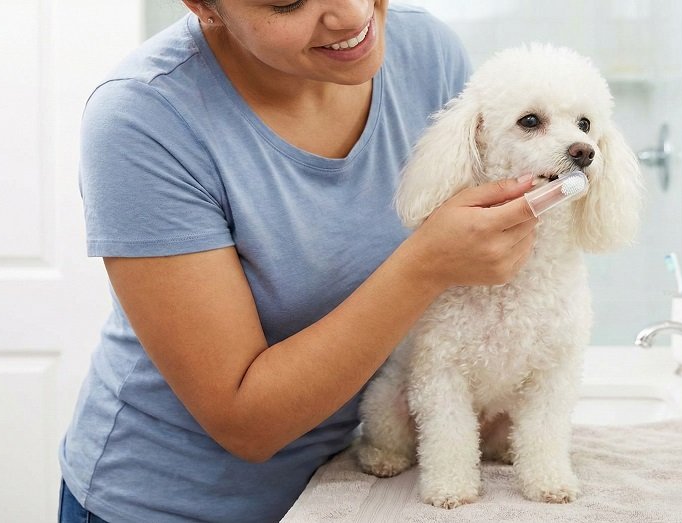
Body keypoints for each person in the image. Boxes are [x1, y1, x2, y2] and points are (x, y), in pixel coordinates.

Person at [57, 1, 538, 521]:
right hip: (168, 503)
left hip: (336, 487)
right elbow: (247, 423)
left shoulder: (425, 51)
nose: (352, 15)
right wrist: (427, 265)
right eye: (288, 1)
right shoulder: (143, 119)